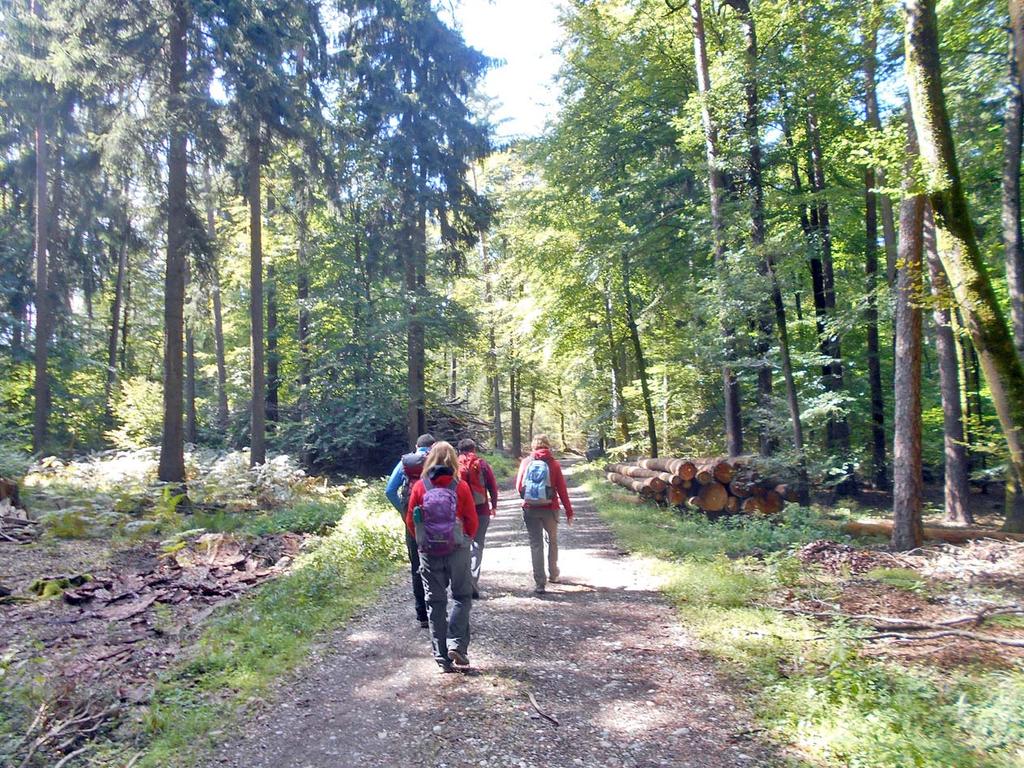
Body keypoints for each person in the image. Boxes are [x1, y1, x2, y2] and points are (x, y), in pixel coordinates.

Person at [406, 441, 478, 672]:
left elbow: (410, 520)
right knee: (462, 596)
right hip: (457, 550)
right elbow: (472, 521)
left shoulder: (420, 487)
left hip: (429, 552)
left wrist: (423, 542)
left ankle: (441, 658)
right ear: (454, 461)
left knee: (435, 603)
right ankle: (456, 643)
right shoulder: (461, 487)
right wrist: (464, 540)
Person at [385, 433, 435, 628]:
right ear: (433, 446)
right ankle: (437, 609)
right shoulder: (437, 461)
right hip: (436, 520)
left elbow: (389, 491)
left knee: (416, 566)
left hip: (412, 521)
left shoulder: (406, 463)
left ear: (416, 446)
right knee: (438, 561)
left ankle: (422, 614)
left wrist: (403, 512)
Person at [515, 434, 574, 594]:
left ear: (533, 446)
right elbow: (562, 490)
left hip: (530, 508)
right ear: (548, 445)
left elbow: (519, 487)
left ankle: (540, 583)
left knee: (536, 544)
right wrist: (569, 511)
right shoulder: (554, 464)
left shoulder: (526, 462)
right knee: (552, 541)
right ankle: (553, 574)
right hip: (551, 508)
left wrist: (529, 498)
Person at [456, 438, 499, 599]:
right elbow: (492, 487)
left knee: (461, 545)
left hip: (460, 513)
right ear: (474, 448)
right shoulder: (481, 464)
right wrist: (493, 505)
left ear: (459, 450)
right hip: (481, 511)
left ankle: (461, 582)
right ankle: (473, 582)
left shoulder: (454, 465)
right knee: (477, 545)